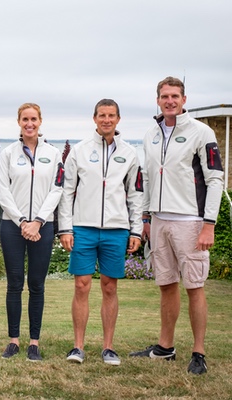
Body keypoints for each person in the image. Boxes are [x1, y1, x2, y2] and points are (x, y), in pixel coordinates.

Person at [129, 77, 224, 375]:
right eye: (164, 96)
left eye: (175, 96)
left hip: (190, 221)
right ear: (157, 100)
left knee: (194, 286)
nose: (169, 101)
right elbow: (146, 177)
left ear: (184, 99)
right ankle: (165, 348)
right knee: (166, 285)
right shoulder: (151, 134)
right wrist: (145, 219)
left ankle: (199, 352)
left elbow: (215, 179)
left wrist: (209, 224)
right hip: (159, 221)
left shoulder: (201, 132)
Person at [58, 99, 142, 366]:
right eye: (102, 115)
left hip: (116, 229)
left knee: (109, 287)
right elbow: (66, 192)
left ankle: (108, 348)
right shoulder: (80, 151)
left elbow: (136, 196)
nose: (106, 120)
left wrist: (136, 231)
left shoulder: (130, 153)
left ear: (118, 119)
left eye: (111, 115)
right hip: (83, 228)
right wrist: (65, 228)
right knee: (81, 286)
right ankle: (78, 347)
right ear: (94, 118)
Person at [0, 103, 64, 361]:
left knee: (36, 285)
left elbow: (56, 190)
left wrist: (37, 221)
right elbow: (2, 191)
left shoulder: (54, 154)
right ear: (19, 122)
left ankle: (34, 341)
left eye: (33, 119)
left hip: (42, 227)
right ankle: (13, 340)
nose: (29, 124)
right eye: (25, 119)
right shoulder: (8, 154)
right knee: (14, 284)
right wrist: (23, 221)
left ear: (40, 121)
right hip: (12, 226)